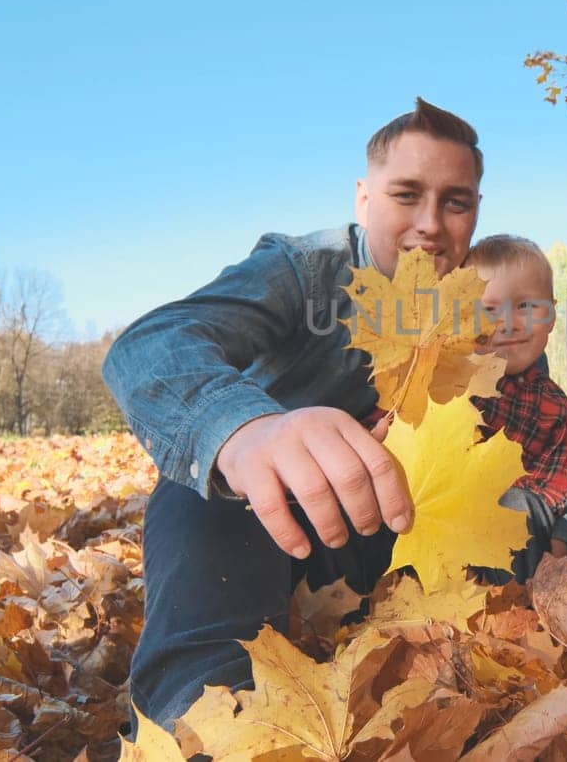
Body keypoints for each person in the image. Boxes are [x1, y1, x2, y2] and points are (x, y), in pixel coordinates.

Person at [102, 98, 484, 730]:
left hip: (398, 531)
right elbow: (150, 345)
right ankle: (209, 722)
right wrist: (248, 431)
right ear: (364, 199)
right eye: (407, 195)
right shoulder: (305, 268)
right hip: (268, 527)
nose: (431, 225)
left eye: (456, 202)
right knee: (202, 490)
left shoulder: (480, 296)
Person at [462, 234, 567, 581]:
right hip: (448, 514)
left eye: (525, 307)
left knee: (513, 507)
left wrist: (562, 544)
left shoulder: (555, 407)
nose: (508, 322)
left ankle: (510, 613)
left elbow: (559, 488)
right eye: (488, 309)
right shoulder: (449, 387)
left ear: (549, 316)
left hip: (522, 527)